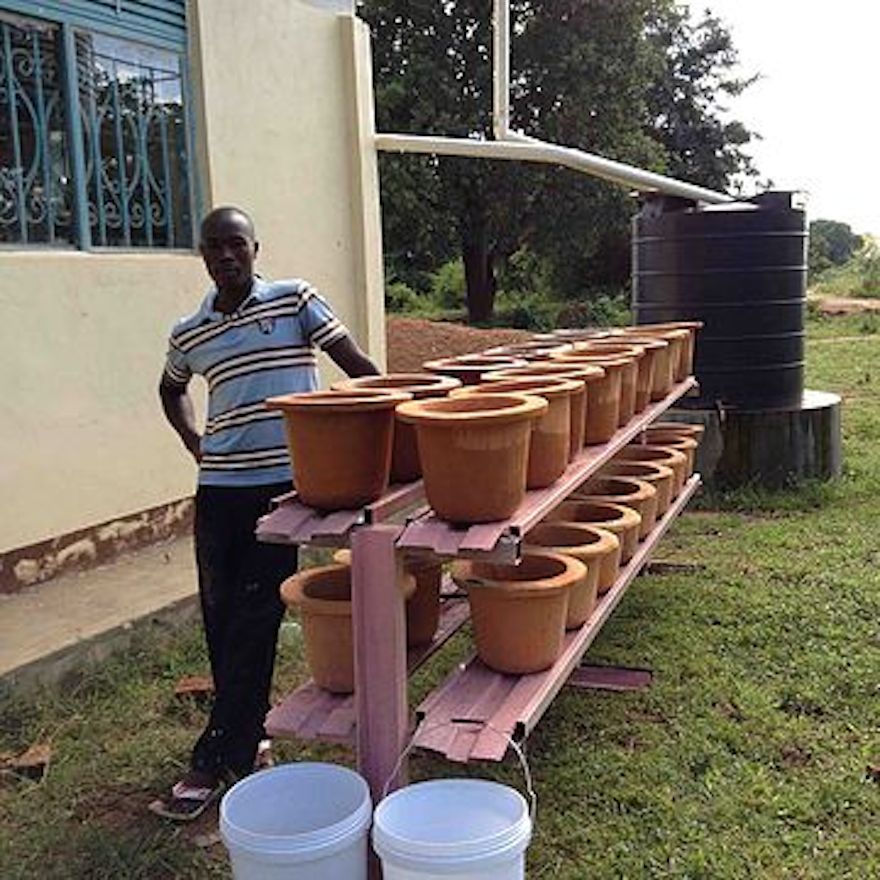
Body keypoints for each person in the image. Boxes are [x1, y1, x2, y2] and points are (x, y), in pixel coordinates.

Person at [150, 206, 379, 820]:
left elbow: (358, 368)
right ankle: (247, 740)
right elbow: (170, 388)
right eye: (214, 246)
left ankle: (212, 760)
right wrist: (193, 441)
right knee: (221, 618)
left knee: (255, 615)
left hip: (282, 492)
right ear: (202, 255)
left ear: (256, 248)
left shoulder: (293, 301)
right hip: (218, 488)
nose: (226, 255)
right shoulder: (190, 331)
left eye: (236, 244)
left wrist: (404, 418)